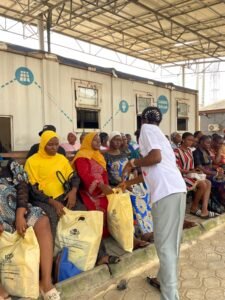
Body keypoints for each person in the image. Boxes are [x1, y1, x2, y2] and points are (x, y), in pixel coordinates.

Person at [121, 106, 187, 300]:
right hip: (176, 189)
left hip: (166, 194)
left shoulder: (147, 130)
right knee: (172, 242)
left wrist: (132, 163)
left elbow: (154, 159)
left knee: (164, 245)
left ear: (142, 120)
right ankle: (162, 279)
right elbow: (153, 169)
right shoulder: (160, 135)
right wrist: (129, 182)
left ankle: (170, 295)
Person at [25, 130, 113, 266]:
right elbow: (32, 189)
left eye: (56, 144)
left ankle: (101, 255)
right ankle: (53, 264)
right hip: (44, 199)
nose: (54, 148)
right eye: (50, 145)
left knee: (85, 215)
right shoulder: (32, 162)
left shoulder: (60, 158)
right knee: (52, 219)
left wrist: (73, 191)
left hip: (65, 195)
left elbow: (74, 176)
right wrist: (53, 202)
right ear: (42, 145)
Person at [72, 132, 149, 249]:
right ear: (88, 141)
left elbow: (104, 174)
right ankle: (125, 237)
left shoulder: (98, 155)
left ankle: (131, 236)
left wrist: (107, 187)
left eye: (99, 140)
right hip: (90, 191)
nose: (98, 142)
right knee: (110, 205)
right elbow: (85, 176)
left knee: (119, 203)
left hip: (103, 188)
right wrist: (101, 186)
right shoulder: (82, 156)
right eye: (95, 140)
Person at [0, 159, 60, 300]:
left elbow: (23, 186)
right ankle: (2, 291)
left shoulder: (9, 165)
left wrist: (20, 213)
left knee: (42, 221)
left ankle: (46, 283)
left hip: (19, 211)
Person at [104, 131, 153, 244]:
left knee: (145, 194)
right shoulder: (106, 156)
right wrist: (121, 184)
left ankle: (148, 228)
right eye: (115, 139)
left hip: (130, 181)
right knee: (134, 198)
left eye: (120, 140)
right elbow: (108, 175)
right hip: (118, 185)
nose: (118, 142)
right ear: (110, 141)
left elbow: (132, 167)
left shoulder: (123, 153)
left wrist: (133, 177)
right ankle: (143, 233)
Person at [174, 132, 217, 219]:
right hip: (180, 176)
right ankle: (193, 208)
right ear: (183, 140)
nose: (191, 142)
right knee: (203, 184)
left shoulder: (189, 151)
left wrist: (196, 171)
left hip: (190, 174)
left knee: (208, 182)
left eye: (192, 140)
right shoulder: (176, 151)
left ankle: (204, 210)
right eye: (189, 140)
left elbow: (192, 166)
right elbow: (176, 168)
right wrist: (189, 171)